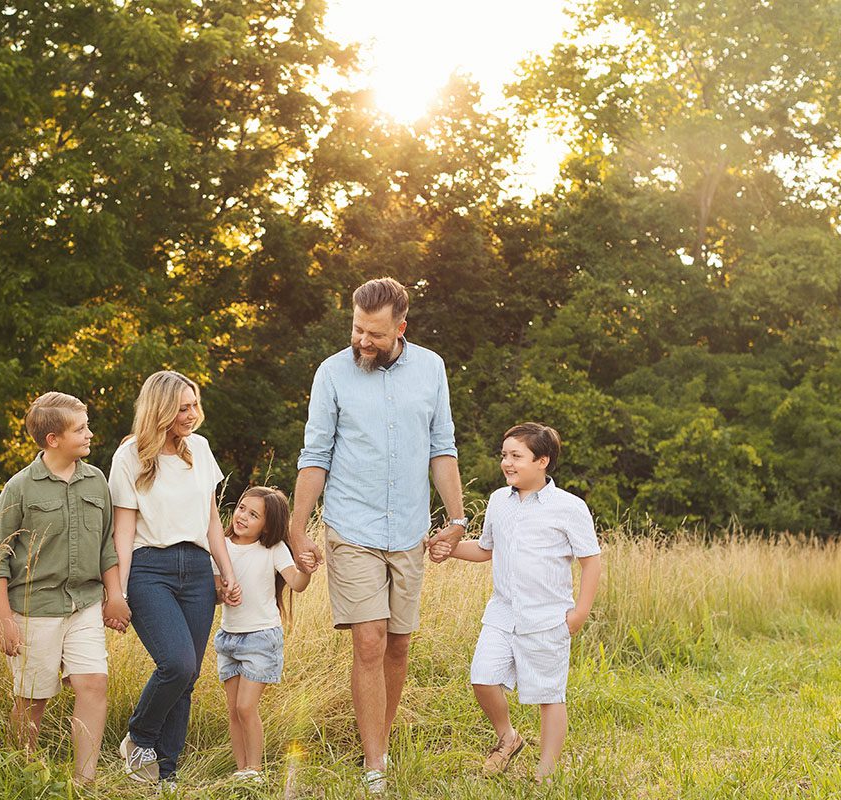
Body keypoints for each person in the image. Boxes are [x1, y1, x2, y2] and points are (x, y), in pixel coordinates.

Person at [289, 277, 468, 793]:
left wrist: (457, 521)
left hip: (409, 529)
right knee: (369, 641)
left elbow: (442, 448)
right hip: (353, 527)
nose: (363, 341)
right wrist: (297, 529)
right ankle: (375, 768)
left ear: (401, 328)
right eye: (357, 329)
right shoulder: (332, 373)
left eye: (375, 334)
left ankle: (380, 744)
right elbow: (316, 455)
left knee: (398, 645)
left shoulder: (432, 368)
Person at [428, 422, 602, 781]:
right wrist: (448, 548)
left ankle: (545, 774)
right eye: (504, 455)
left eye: (516, 456)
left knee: (548, 695)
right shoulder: (498, 501)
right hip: (502, 612)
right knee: (482, 677)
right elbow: (485, 549)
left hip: (548, 617)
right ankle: (508, 737)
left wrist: (580, 612)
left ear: (542, 461)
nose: (507, 462)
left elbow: (591, 561)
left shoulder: (569, 507)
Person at [0, 391, 130, 786]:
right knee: (33, 700)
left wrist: (115, 596)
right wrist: (4, 619)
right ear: (53, 439)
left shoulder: (96, 481)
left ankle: (84, 782)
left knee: (93, 683)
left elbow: (106, 545)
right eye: (80, 429)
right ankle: (24, 776)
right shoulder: (20, 488)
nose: (89, 434)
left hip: (84, 604)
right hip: (35, 608)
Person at [108, 370, 242, 786]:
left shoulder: (199, 449)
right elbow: (123, 530)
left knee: (188, 678)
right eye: (182, 408)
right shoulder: (129, 456)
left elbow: (212, 520)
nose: (191, 414)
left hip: (198, 570)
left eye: (194, 405)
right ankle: (139, 736)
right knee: (177, 664)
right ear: (160, 409)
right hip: (150, 570)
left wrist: (225, 570)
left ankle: (166, 774)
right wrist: (118, 592)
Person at [211, 486, 312, 783]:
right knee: (234, 711)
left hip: (261, 638)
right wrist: (223, 594)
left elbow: (296, 583)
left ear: (267, 526)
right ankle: (241, 770)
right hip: (228, 638)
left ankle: (254, 770)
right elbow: (216, 592)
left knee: (246, 707)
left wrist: (306, 570)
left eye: (254, 515)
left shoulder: (273, 549)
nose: (242, 516)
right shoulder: (221, 546)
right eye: (242, 508)